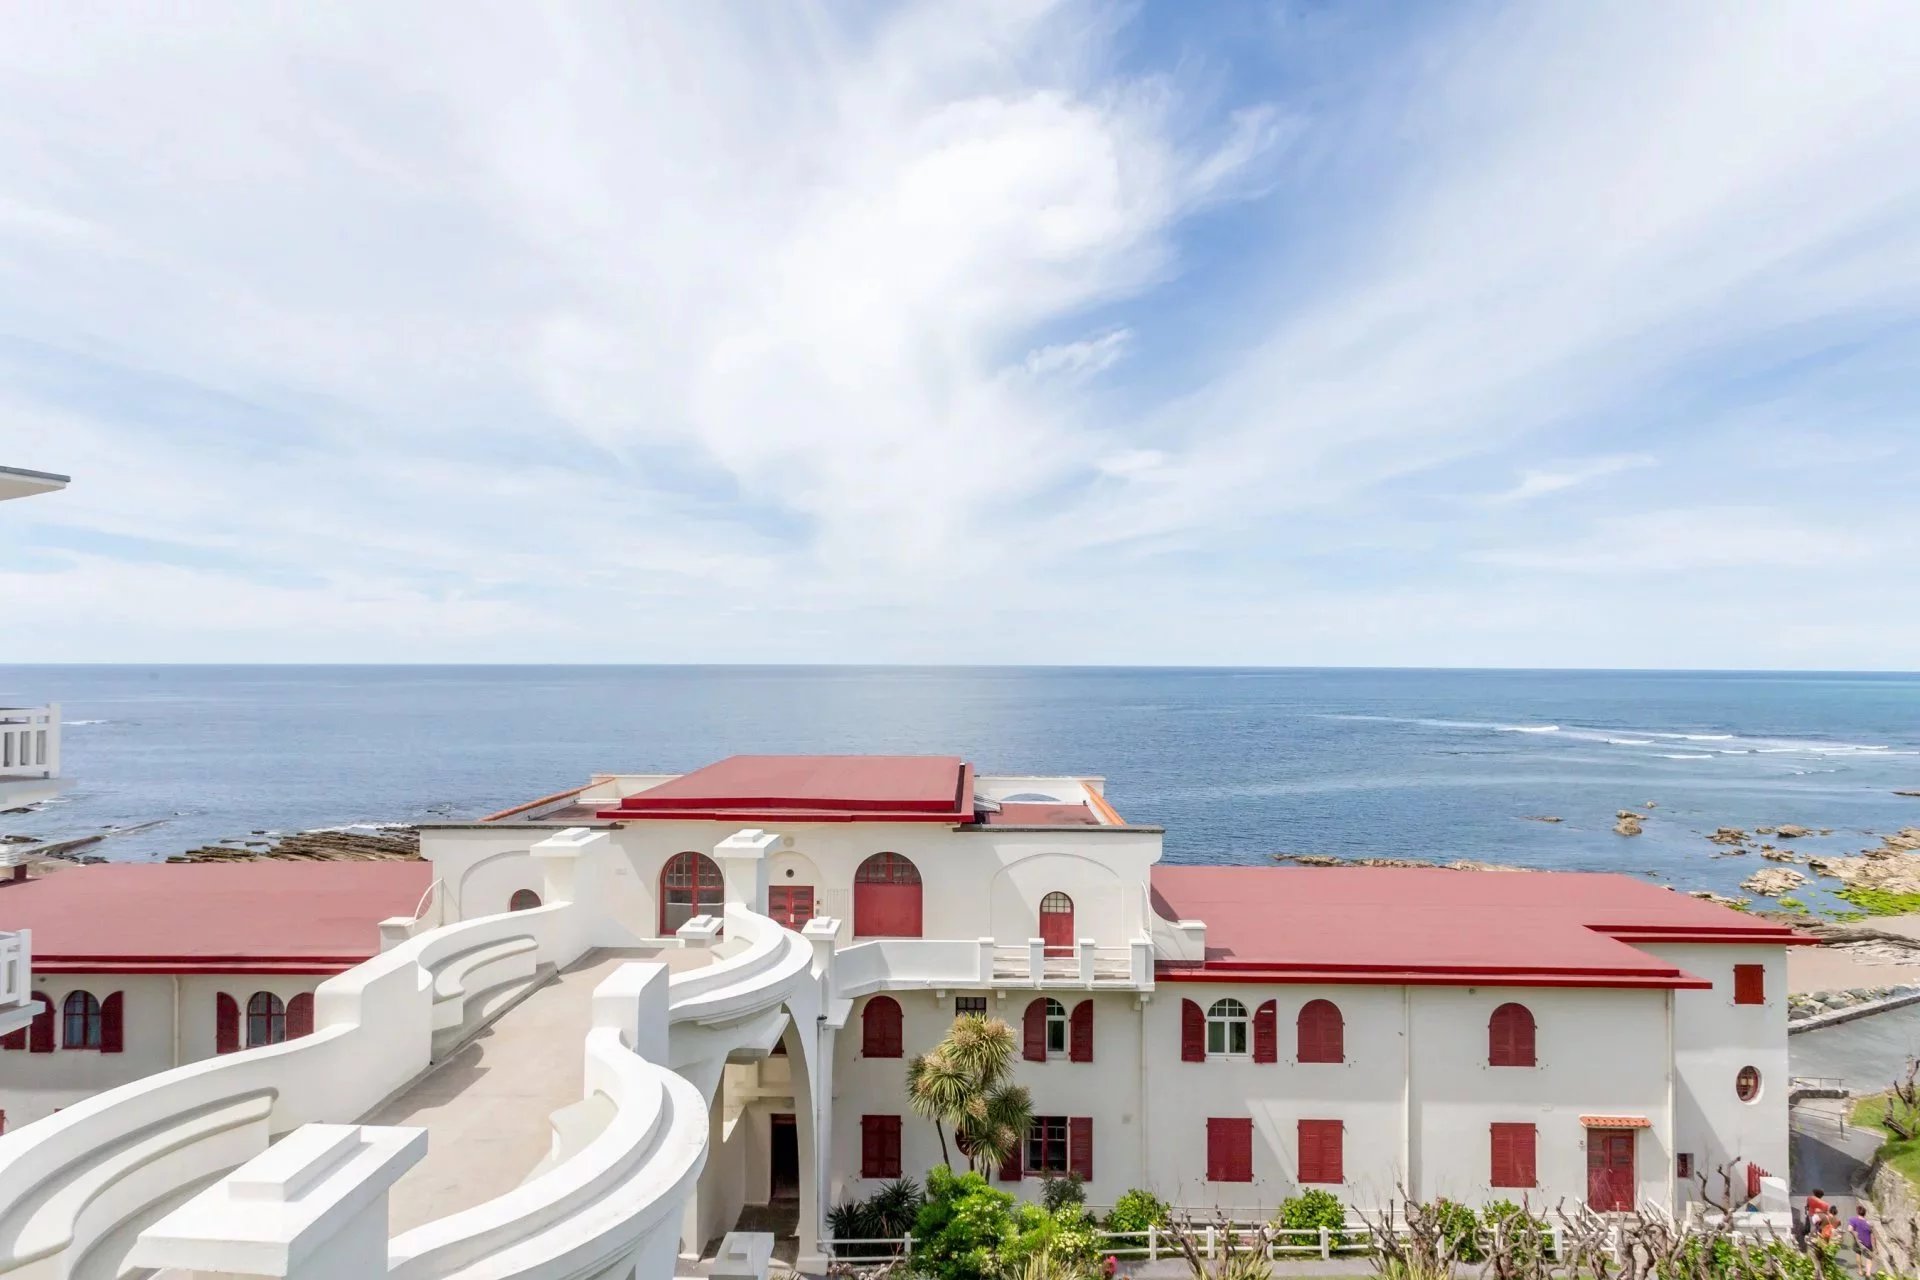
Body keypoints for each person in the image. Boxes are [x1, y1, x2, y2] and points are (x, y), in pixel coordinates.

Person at [1849, 1205, 1876, 1278]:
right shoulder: (1869, 1223)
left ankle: (1860, 1271)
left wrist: (1855, 1234)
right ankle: (1868, 1273)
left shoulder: (1853, 1219)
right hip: (1867, 1242)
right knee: (1869, 1257)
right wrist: (1874, 1247)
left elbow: (1850, 1229)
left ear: (1857, 1212)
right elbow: (1873, 1236)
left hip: (1858, 1241)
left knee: (1858, 1254)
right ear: (1865, 1213)